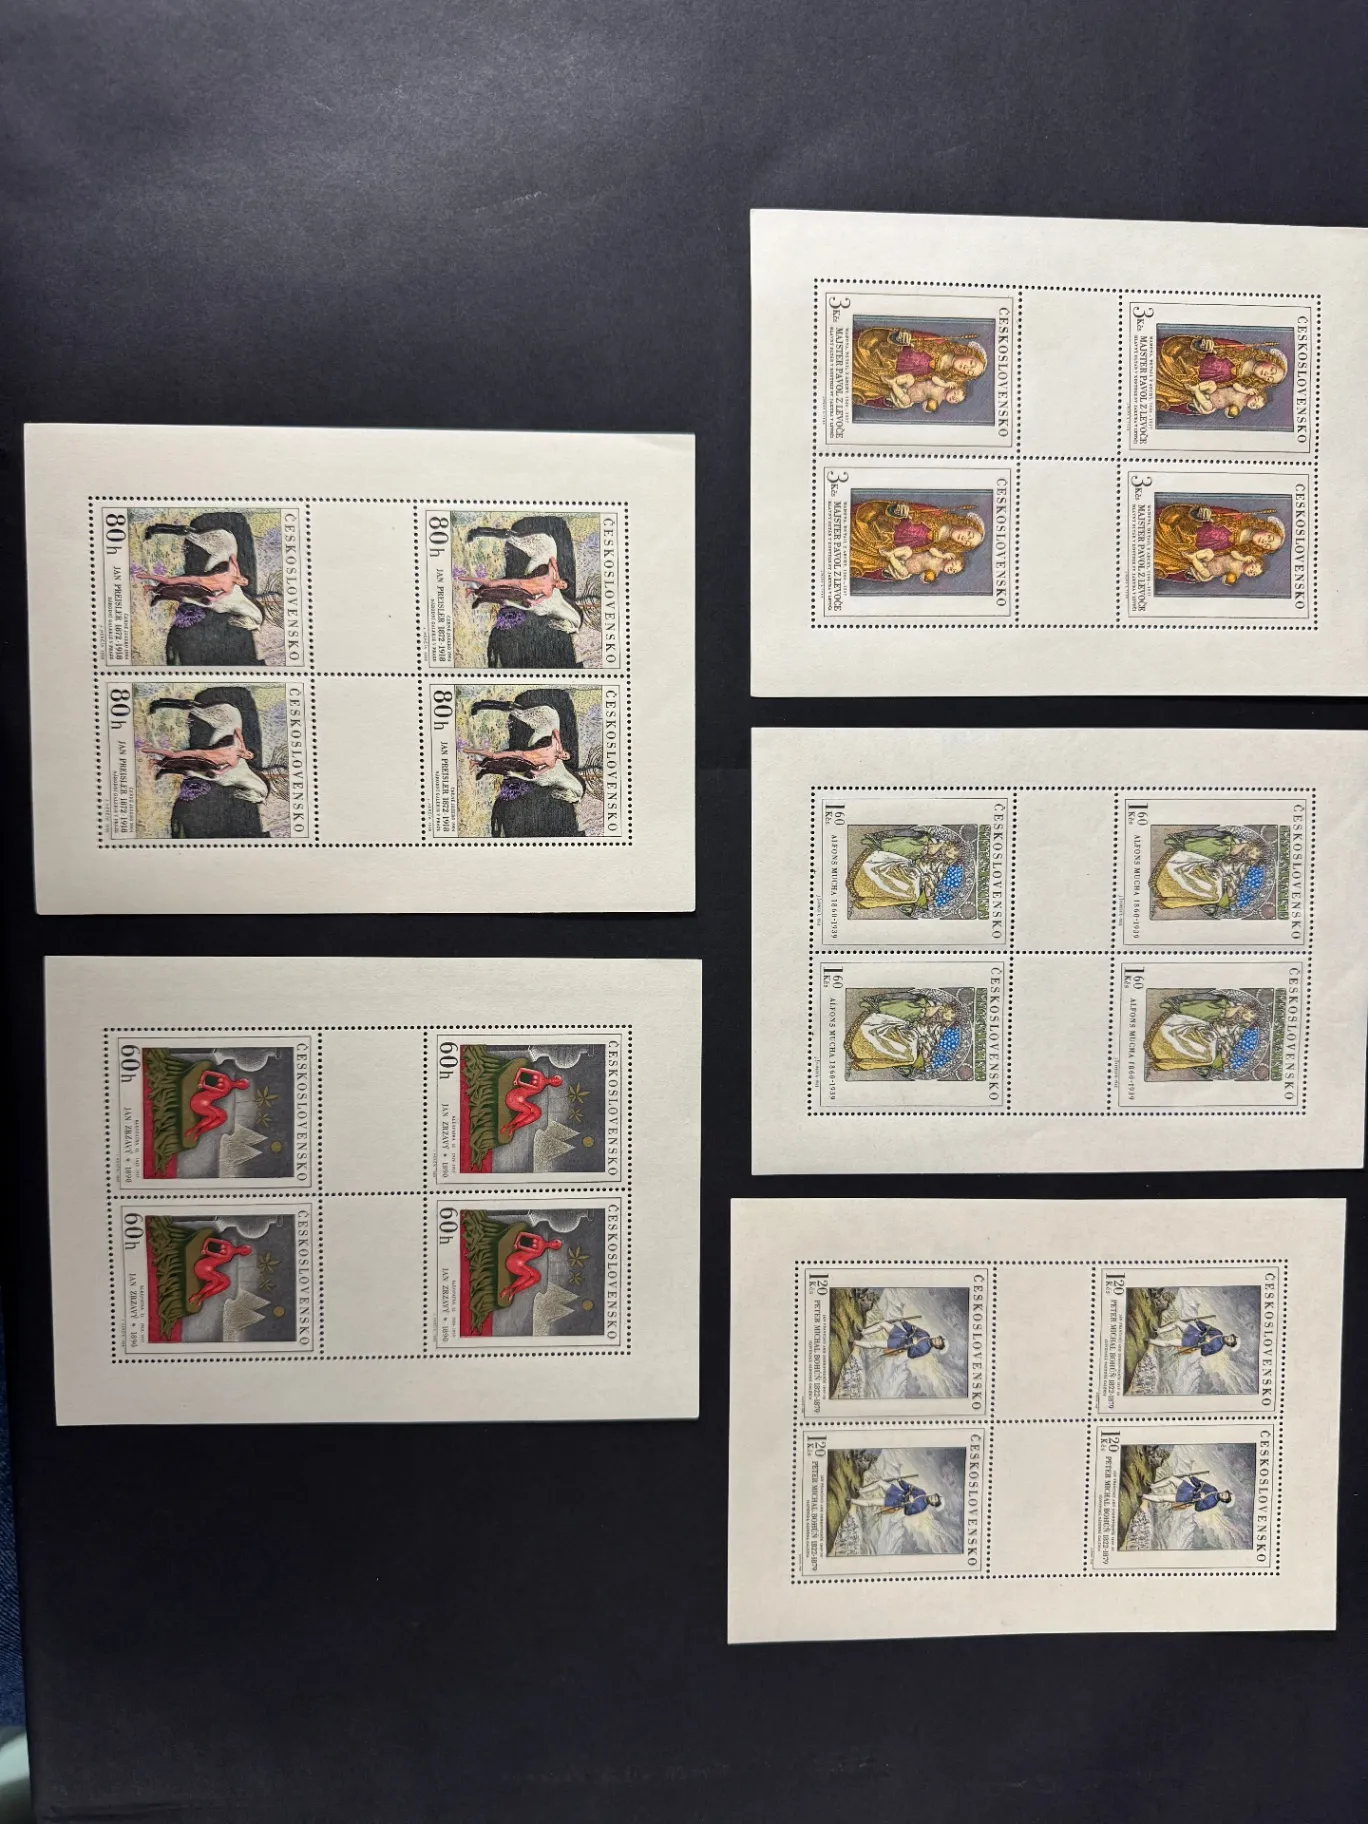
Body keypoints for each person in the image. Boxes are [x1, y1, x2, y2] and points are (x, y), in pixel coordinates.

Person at [851, 326, 987, 412]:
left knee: (865, 385)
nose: (967, 367)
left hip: (890, 375)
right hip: (887, 353)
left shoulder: (945, 378)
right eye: (971, 363)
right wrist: (902, 337)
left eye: (969, 372)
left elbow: (922, 391)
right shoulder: (942, 343)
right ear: (968, 354)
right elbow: (913, 336)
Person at [849, 499, 985, 582]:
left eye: (967, 543)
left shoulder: (941, 549)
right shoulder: (936, 513)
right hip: (879, 527)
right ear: (967, 525)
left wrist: (898, 572)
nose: (965, 539)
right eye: (969, 534)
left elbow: (915, 562)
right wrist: (898, 510)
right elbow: (895, 508)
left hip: (882, 550)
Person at [1154, 335, 1287, 418]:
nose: (1267, 375)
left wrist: (1203, 408)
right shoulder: (1241, 349)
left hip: (1184, 385)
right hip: (1183, 362)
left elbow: (1218, 398)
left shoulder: (1244, 385)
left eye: (1269, 379)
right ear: (1269, 361)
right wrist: (1203, 345)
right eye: (1272, 370)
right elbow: (1210, 343)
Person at [1153, 502, 1285, 586]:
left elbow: (1217, 565)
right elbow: (1207, 511)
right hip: (1181, 530)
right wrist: (1202, 513)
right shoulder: (1238, 517)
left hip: (1184, 552)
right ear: (1267, 528)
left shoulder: (1242, 552)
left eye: (1267, 546)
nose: (1265, 542)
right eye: (1270, 537)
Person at [1149, 829, 1269, 917]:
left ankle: (1171, 894)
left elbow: (1237, 878)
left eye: (1256, 855)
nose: (1252, 853)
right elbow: (1232, 852)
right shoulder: (1240, 848)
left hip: (1220, 877)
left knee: (1214, 895)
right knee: (1187, 870)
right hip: (1212, 866)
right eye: (1254, 850)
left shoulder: (1245, 866)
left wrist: (1232, 893)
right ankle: (1167, 884)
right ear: (1252, 846)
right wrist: (1245, 845)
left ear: (1257, 859)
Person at [847, 829, 966, 914]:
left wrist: (929, 887)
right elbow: (926, 853)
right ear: (950, 845)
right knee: (888, 869)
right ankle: (866, 880)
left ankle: (869, 894)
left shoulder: (943, 865)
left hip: (920, 877)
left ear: (955, 858)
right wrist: (936, 848)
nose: (950, 853)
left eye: (953, 854)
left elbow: (935, 876)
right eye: (952, 850)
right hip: (912, 866)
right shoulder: (939, 845)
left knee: (912, 895)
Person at [844, 995, 963, 1074]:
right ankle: (865, 1040)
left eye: (952, 1017)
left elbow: (930, 1039)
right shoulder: (936, 1008)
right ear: (948, 1007)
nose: (949, 1015)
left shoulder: (940, 1027)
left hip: (915, 1036)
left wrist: (926, 1050)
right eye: (951, 1012)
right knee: (898, 1040)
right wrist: (921, 1024)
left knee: (911, 1056)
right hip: (908, 1027)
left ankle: (867, 1055)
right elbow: (920, 1016)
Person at [1144, 995, 1262, 1074]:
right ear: (1246, 1007)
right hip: (1207, 1029)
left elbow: (1228, 1040)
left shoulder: (1237, 1028)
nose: (1249, 1016)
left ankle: (1167, 1055)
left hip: (1214, 1040)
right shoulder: (1233, 1010)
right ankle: (1163, 1044)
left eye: (1252, 1017)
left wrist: (1225, 1059)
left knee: (1209, 1057)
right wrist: (1239, 1007)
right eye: (1251, 1012)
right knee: (1182, 1034)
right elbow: (1227, 1015)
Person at [852, 1315, 946, 1359]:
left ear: (937, 1347)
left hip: (899, 1344)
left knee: (874, 1344)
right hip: (900, 1334)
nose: (937, 1340)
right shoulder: (926, 1334)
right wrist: (903, 1322)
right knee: (883, 1324)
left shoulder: (925, 1350)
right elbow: (912, 1329)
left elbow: (911, 1355)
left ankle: (854, 1342)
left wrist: (913, 1345)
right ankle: (863, 1331)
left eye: (939, 1342)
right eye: (939, 1339)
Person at [849, 1474, 942, 1517]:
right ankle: (860, 1491)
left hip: (895, 1502)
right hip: (896, 1492)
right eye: (934, 1496)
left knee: (871, 1502)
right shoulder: (922, 1492)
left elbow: (907, 1513)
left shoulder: (921, 1507)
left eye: (934, 1500)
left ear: (933, 1504)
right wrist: (900, 1481)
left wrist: (910, 1503)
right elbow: (908, 1488)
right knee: (880, 1482)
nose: (932, 1497)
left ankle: (852, 1501)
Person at [1140, 1471, 1232, 1514]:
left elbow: (1198, 1509)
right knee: (1171, 1478)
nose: (1223, 1494)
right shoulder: (1213, 1489)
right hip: (1188, 1488)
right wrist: (1192, 1478)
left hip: (1187, 1498)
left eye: (1225, 1496)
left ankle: (1143, 1496)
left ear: (1223, 1500)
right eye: (1225, 1493)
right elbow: (1200, 1484)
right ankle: (1152, 1486)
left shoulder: (1212, 1503)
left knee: (1162, 1498)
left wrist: (1201, 1499)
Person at [1149, 1316, 1238, 1358]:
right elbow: (1206, 1327)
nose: (1229, 1338)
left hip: (1192, 1342)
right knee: (1177, 1323)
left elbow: (1204, 1353)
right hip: (1194, 1332)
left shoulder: (1218, 1347)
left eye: (1230, 1340)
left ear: (1229, 1344)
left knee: (1169, 1342)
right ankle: (1159, 1331)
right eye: (1230, 1337)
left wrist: (1206, 1343)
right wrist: (1198, 1321)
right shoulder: (1219, 1333)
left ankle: (1149, 1340)